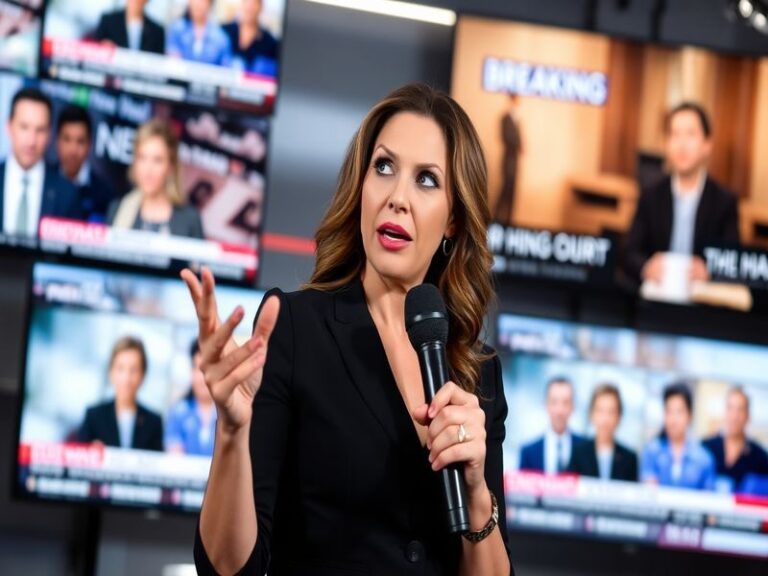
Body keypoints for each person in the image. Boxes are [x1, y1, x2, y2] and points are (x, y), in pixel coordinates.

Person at [183, 84, 513, 575]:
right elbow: (231, 569)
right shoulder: (296, 327)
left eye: (426, 180)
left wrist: (476, 494)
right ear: (360, 186)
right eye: (384, 168)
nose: (397, 197)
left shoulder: (475, 371)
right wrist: (232, 431)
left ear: (453, 221)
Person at [625, 102, 739, 285]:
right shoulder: (651, 196)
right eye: (675, 135)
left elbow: (732, 261)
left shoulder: (724, 202)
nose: (682, 144)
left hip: (702, 303)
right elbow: (629, 252)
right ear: (666, 144)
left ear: (707, 145)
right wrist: (646, 266)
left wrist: (710, 271)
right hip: (656, 298)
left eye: (690, 134)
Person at [0, 87, 81, 237]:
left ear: (50, 134)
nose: (31, 141)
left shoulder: (67, 194)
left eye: (40, 130)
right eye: (24, 127)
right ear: (9, 127)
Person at [106, 119, 204, 238]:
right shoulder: (117, 209)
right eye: (142, 158)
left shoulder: (190, 219)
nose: (148, 170)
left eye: (157, 160)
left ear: (170, 167)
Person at [78, 336, 164, 452]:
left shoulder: (153, 422)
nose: (126, 378)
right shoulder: (94, 416)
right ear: (111, 372)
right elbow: (78, 462)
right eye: (120, 368)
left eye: (134, 370)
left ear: (143, 375)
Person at [641, 382, 715, 491]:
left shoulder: (704, 459)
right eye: (669, 411)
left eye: (679, 412)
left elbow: (708, 499)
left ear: (689, 415)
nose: (673, 419)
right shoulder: (651, 452)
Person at [702, 386, 768, 493]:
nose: (734, 416)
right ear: (725, 412)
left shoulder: (760, 458)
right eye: (730, 408)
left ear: (748, 416)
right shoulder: (706, 448)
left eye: (740, 410)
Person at [568, 384, 638, 482]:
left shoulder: (629, 459)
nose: (605, 419)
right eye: (600, 411)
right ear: (591, 414)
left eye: (611, 412)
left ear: (619, 417)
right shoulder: (579, 453)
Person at [55, 105, 112, 223]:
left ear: (90, 144)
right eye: (67, 139)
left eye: (80, 141)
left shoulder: (105, 196)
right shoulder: (42, 182)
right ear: (57, 140)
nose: (73, 150)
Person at [519, 377, 585, 474]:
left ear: (573, 407)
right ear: (546, 405)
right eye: (554, 402)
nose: (560, 410)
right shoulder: (528, 452)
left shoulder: (586, 450)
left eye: (565, 403)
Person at [165, 340, 217, 456]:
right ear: (191, 371)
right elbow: (175, 459)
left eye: (209, 370)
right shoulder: (177, 413)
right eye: (199, 370)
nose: (204, 377)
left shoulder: (228, 415)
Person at [222, 0, 279, 77]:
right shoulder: (224, 32)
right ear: (242, 4)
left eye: (254, 3)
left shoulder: (270, 43)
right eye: (247, 2)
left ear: (261, 7)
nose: (250, 7)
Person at [166, 0, 232, 66]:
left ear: (210, 3)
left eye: (202, 1)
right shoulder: (177, 29)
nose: (197, 4)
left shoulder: (221, 38)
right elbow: (173, 61)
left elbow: (225, 69)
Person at [92, 0, 166, 54]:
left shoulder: (157, 31)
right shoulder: (108, 21)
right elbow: (93, 47)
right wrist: (102, 47)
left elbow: (158, 60)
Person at [493, 93, 523, 224]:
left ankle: (509, 221)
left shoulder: (518, 120)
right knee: (505, 189)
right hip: (508, 160)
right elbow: (505, 138)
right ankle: (495, 217)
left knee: (512, 191)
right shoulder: (505, 118)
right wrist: (517, 144)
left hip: (515, 161)